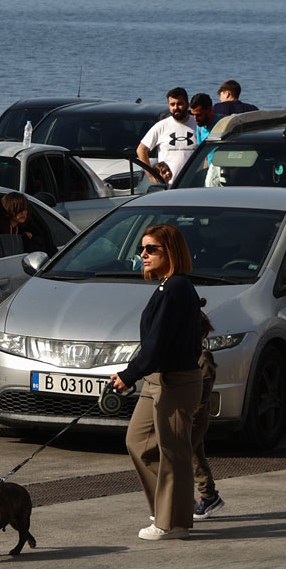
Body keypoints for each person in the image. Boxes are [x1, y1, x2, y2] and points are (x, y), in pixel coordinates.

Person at [110, 222, 202, 541]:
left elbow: (157, 342)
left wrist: (128, 374)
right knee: (138, 443)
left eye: (151, 249)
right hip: (156, 380)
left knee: (173, 452)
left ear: (171, 252)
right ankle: (173, 504)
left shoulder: (176, 287)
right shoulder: (167, 286)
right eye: (142, 249)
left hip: (175, 381)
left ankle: (173, 523)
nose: (144, 254)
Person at [191, 308, 225, 519]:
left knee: (184, 454)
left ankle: (197, 497)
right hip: (191, 413)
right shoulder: (190, 354)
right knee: (195, 454)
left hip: (195, 415)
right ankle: (209, 495)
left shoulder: (202, 357)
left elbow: (202, 392)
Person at [135, 87, 197, 185]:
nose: (176, 107)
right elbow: (141, 150)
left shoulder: (198, 125)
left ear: (187, 104)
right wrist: (151, 176)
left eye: (179, 104)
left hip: (195, 185)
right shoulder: (161, 126)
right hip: (168, 186)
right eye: (172, 104)